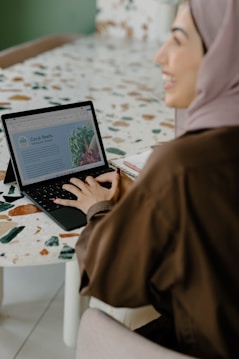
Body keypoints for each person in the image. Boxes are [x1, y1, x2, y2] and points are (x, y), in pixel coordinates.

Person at [54, 0, 239, 357]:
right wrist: (153, 199)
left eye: (178, 39)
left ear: (222, 52)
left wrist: (101, 210)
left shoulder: (180, 166)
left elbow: (111, 280)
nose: (160, 56)